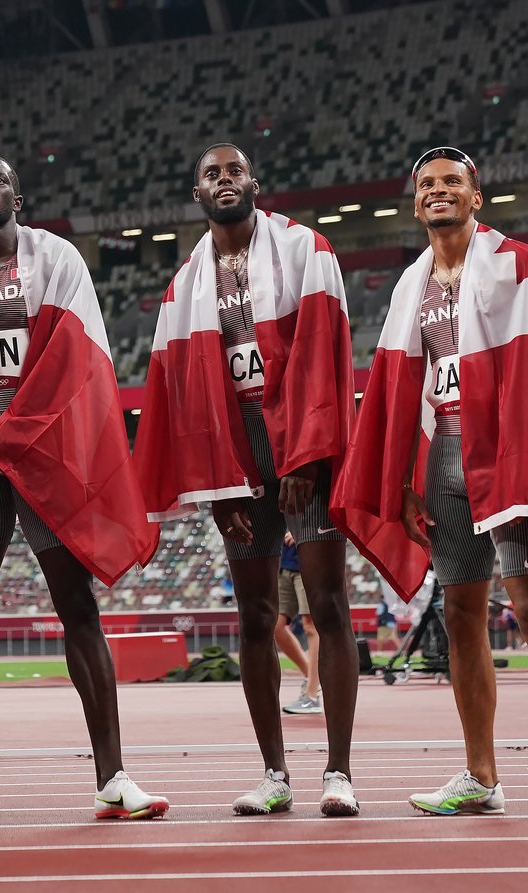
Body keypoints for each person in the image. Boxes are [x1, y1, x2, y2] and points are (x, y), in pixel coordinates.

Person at [331, 146, 528, 821]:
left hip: (509, 455)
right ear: (415, 202)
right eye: (427, 184)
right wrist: (406, 479)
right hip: (446, 462)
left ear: (475, 195)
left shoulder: (522, 264)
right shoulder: (410, 285)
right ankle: (480, 773)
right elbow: (405, 389)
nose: (439, 191)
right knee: (461, 614)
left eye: (452, 182)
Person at [0, 154, 167, 821]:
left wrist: (15, 441)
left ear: (17, 195)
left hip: (42, 458)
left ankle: (114, 776)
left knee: (77, 605)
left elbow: (72, 361)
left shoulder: (55, 259)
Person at [134, 143, 360, 816]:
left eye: (235, 170)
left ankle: (339, 771)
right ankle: (274, 772)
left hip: (305, 441)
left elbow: (325, 352)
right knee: (256, 614)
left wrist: (304, 453)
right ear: (197, 192)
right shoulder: (184, 286)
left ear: (254, 183)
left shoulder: (304, 250)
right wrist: (216, 483)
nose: (225, 180)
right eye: (212, 173)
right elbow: (183, 394)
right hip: (238, 452)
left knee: (328, 603)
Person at [277, 533, 322, 714]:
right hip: (284, 564)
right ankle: (311, 677)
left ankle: (311, 695)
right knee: (275, 625)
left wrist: (300, 532)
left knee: (310, 625)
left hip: (308, 561)